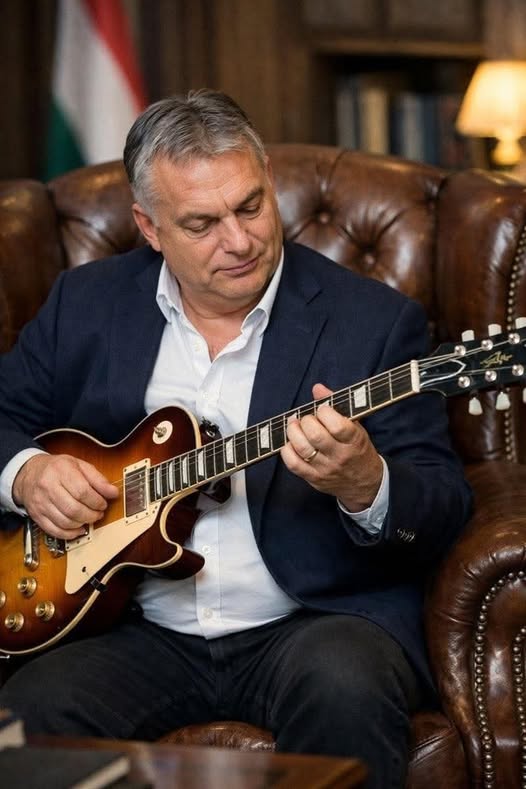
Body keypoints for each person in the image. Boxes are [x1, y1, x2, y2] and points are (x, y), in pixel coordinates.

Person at [0, 89, 472, 788]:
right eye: (202, 223)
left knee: (344, 686)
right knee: (28, 712)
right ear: (149, 226)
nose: (240, 240)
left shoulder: (373, 321)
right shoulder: (86, 303)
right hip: (133, 628)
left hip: (312, 620)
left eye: (250, 206)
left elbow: (443, 500)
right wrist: (26, 472)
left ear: (269, 182)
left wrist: (366, 484)